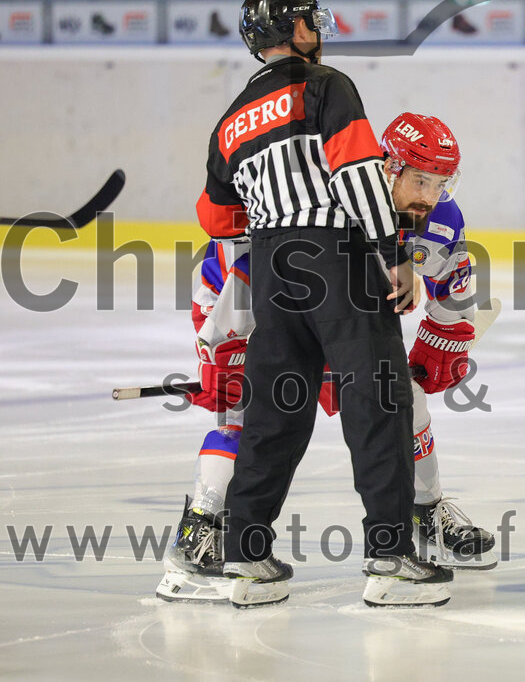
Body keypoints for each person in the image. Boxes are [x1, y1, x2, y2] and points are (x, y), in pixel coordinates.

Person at [157, 112, 495, 604]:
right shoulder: (331, 199)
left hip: (343, 323)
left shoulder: (440, 216)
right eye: (421, 179)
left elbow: (452, 285)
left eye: (443, 182)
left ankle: (426, 513)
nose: (431, 195)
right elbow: (246, 269)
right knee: (250, 414)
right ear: (388, 168)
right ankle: (201, 531)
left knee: (402, 398)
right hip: (246, 307)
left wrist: (445, 340)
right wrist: (224, 350)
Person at [194, 0, 450, 609]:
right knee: (378, 401)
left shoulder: (230, 120)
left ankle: (247, 556)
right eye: (310, 20)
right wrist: (390, 254)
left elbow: (216, 216)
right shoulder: (324, 85)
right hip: (338, 256)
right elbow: (359, 171)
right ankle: (390, 558)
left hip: (277, 270)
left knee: (273, 414)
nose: (318, 28)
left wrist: (272, 217)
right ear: (296, 29)